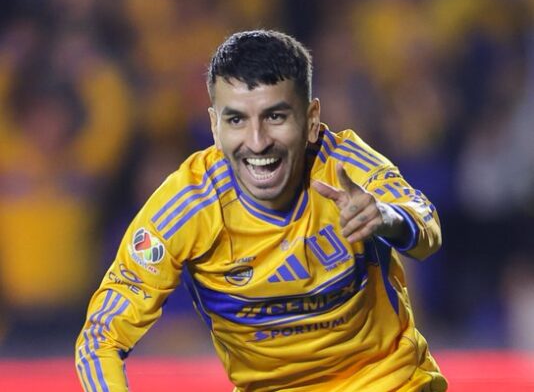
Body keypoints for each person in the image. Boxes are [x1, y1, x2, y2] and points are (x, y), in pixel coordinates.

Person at [75, 30, 447, 391]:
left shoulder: (345, 167)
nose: (257, 142)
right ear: (215, 127)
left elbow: (426, 226)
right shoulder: (187, 206)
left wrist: (386, 218)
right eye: (236, 119)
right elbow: (100, 339)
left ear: (311, 120)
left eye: (275, 117)